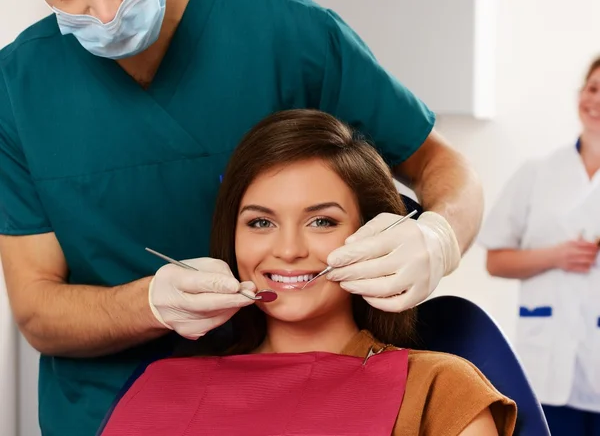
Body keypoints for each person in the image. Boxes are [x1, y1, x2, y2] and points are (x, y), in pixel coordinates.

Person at [0, 0, 483, 434]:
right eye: (259, 221)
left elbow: (441, 167)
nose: (105, 14)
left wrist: (438, 237)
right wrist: (148, 303)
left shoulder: (292, 36)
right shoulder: (19, 84)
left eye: (320, 220)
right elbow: (36, 308)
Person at [100, 109, 516, 436]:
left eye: (322, 222)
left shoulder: (438, 389)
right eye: (261, 223)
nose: (288, 250)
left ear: (372, 233)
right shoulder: (166, 384)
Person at [479, 57, 600, 435]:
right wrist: (556, 256)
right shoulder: (537, 173)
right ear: (580, 93)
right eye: (593, 88)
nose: (596, 100)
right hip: (545, 362)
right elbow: (496, 261)